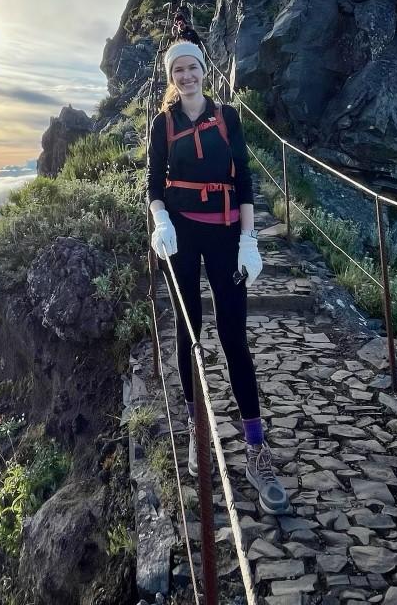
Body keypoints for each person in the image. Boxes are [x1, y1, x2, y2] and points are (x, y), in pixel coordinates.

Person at [147, 40, 290, 515]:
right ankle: (196, 428)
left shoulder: (228, 117)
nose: (186, 76)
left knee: (234, 338)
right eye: (178, 70)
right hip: (181, 238)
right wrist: (160, 221)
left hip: (228, 235)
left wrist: (250, 239)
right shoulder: (161, 124)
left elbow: (245, 180)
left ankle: (255, 445)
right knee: (190, 336)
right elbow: (154, 186)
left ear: (204, 71)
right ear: (171, 76)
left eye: (193, 68)